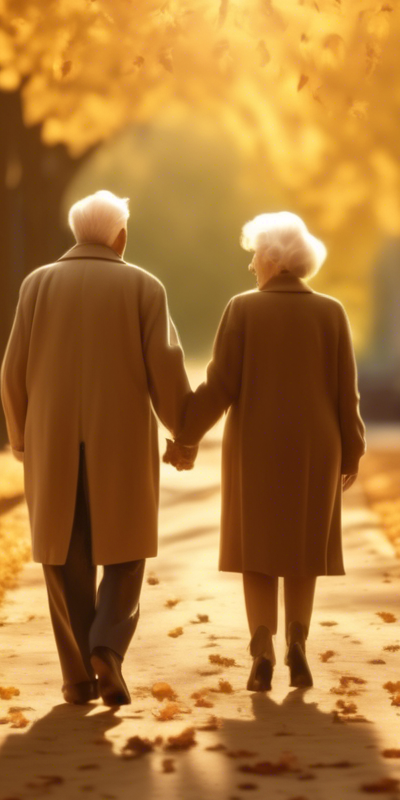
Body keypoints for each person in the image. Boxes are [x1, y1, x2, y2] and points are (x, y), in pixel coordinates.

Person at [1, 191, 195, 708]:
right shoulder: (143, 287)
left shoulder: (37, 285)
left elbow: (12, 371)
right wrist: (184, 432)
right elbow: (166, 369)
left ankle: (78, 680)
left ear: (74, 232)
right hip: (122, 443)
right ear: (121, 236)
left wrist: (21, 437)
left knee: (64, 558)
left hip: (53, 441)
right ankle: (107, 645)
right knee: (127, 552)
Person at [167, 212, 365, 692]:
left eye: (255, 254)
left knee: (255, 549)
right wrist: (352, 451)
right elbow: (346, 392)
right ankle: (298, 643)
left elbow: (220, 386)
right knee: (302, 547)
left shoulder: (242, 309)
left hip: (254, 439)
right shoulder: (331, 312)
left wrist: (185, 434)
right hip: (316, 444)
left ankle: (261, 648)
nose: (251, 264)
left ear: (274, 259)